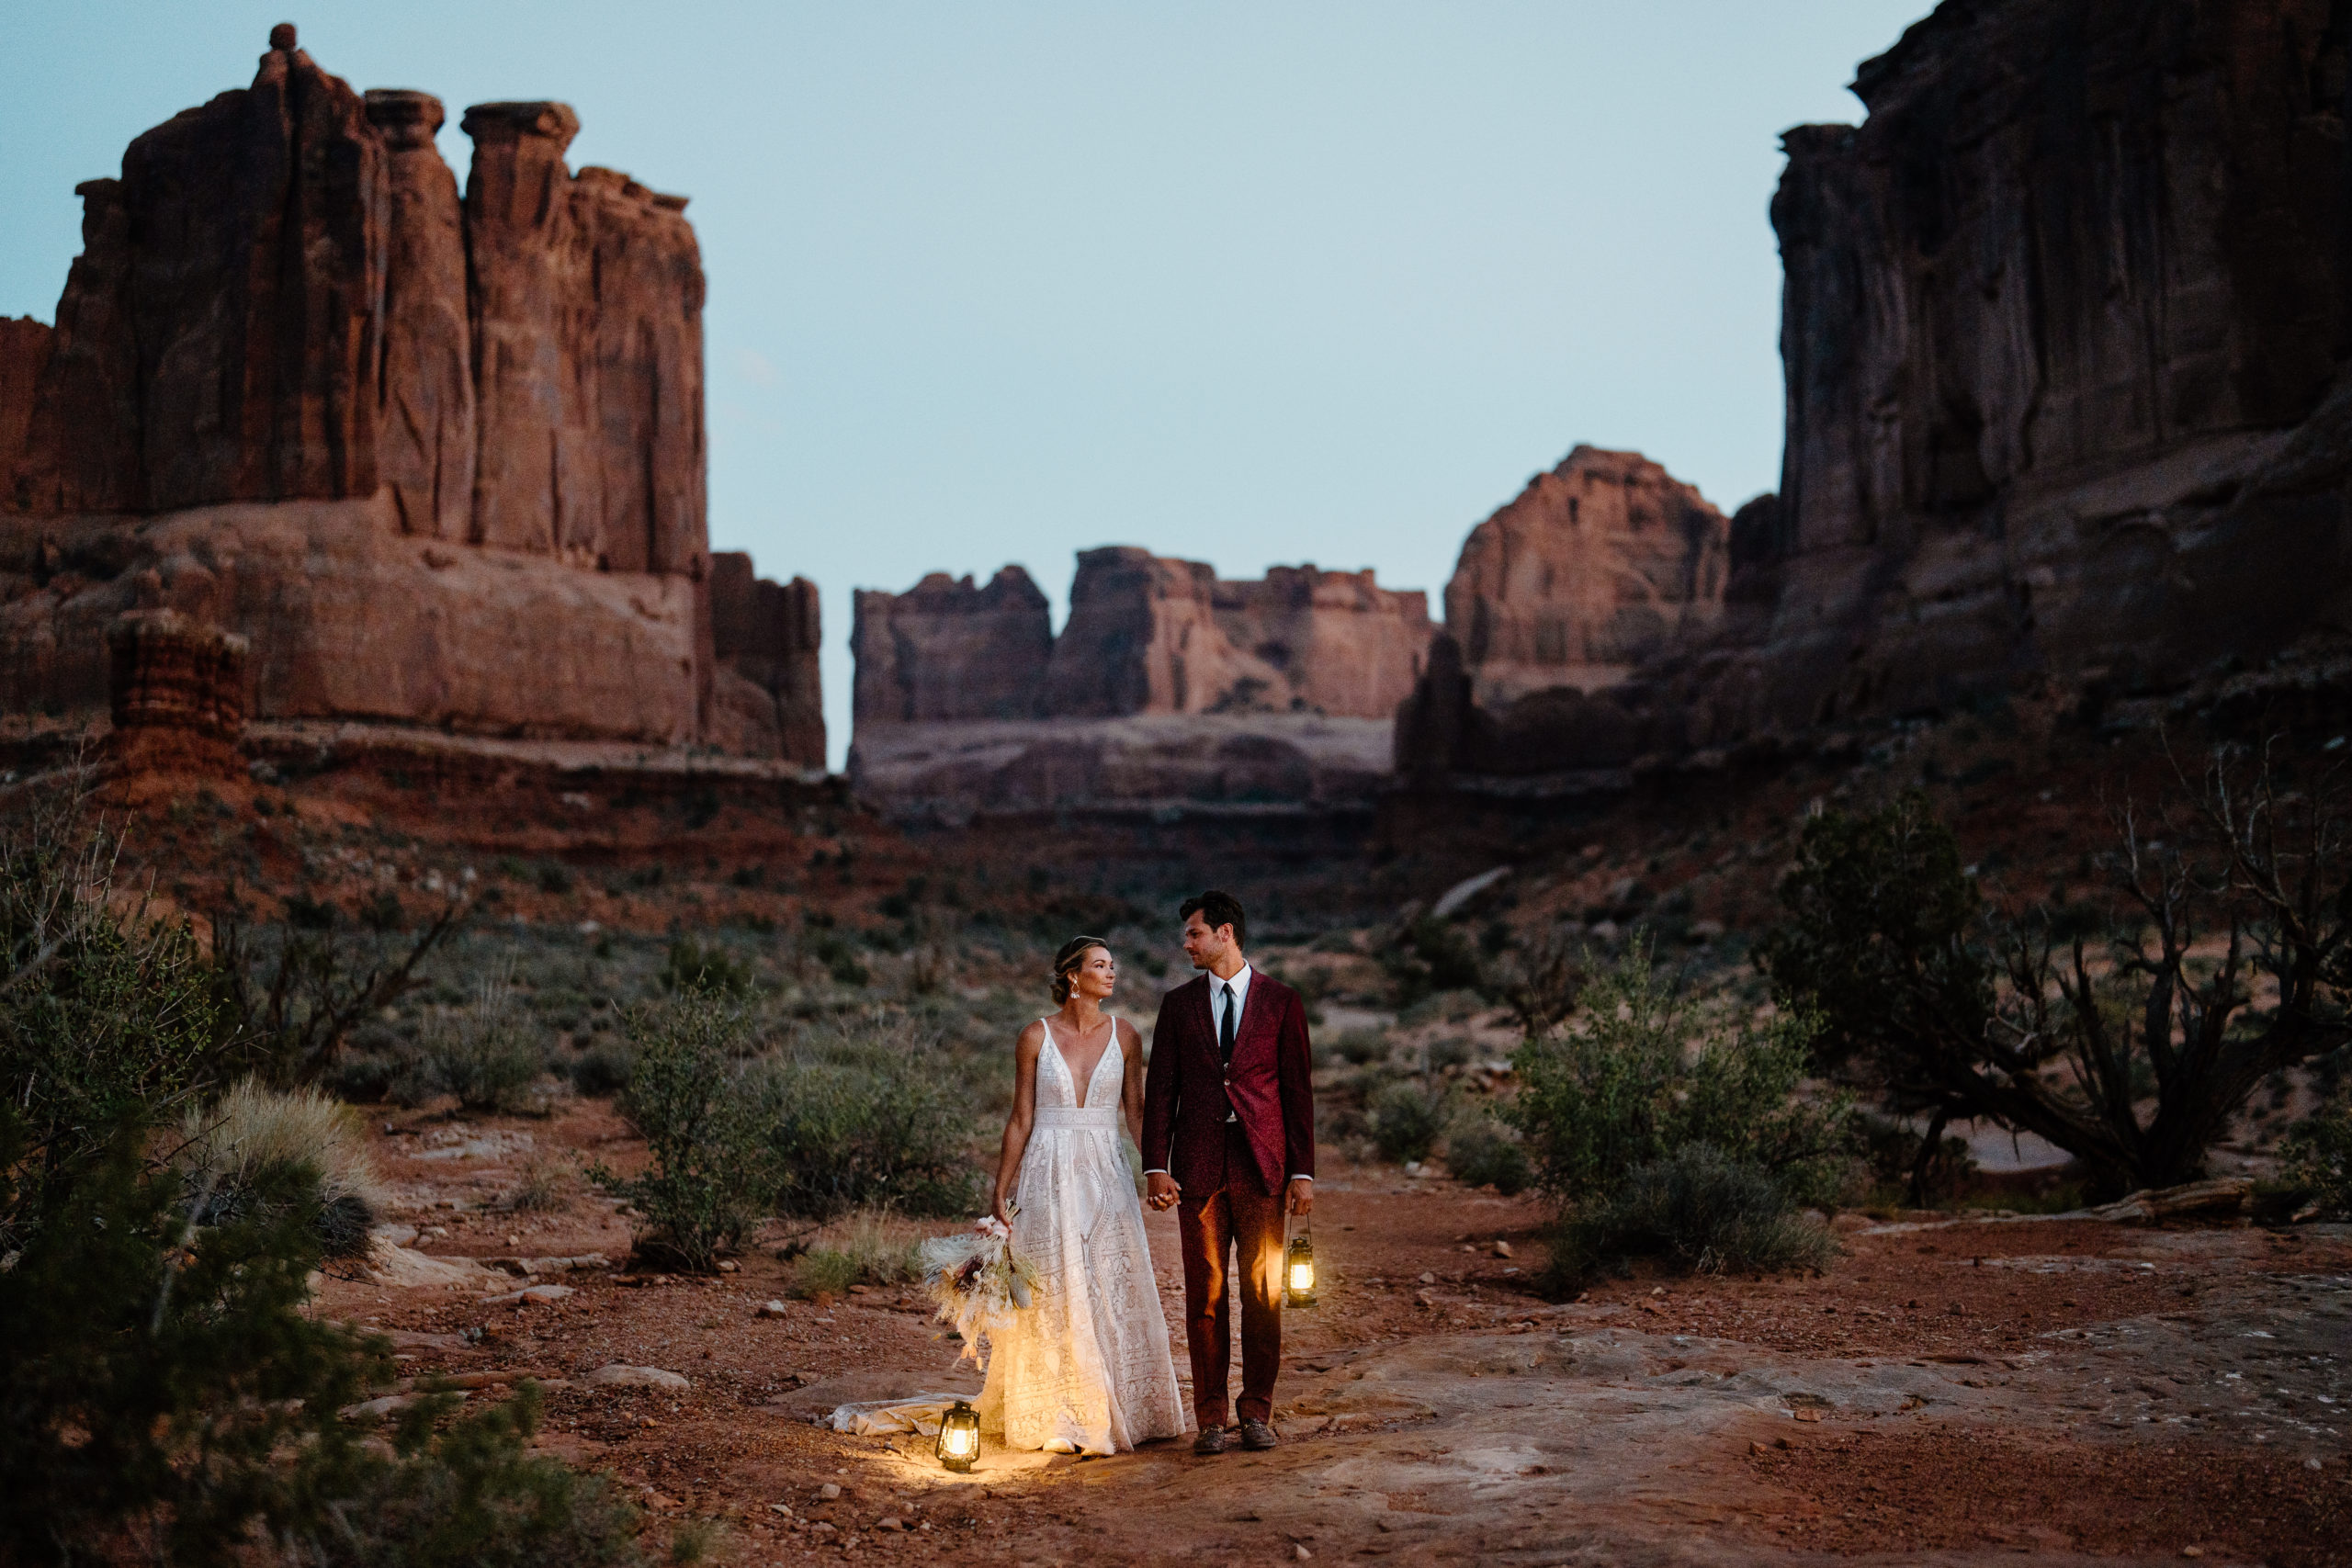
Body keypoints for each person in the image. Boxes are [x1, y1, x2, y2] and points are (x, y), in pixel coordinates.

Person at [978, 936, 1190, 1455]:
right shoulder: (1034, 1036)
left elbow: (1136, 1114)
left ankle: (1125, 1408)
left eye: (1112, 965)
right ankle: (1057, 1411)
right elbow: (1021, 1118)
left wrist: (1156, 1171)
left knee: (1108, 1281)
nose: (1111, 973)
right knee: (1051, 1286)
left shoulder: (1127, 1036)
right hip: (1046, 1171)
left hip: (1104, 1171)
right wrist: (1000, 1188)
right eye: (1100, 965)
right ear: (1073, 976)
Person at [1140, 891, 1315, 1455]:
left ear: (1225, 934)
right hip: (1198, 1169)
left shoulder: (1283, 1002)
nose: (1186, 943)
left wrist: (1303, 1173)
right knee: (1205, 1295)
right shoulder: (1177, 1005)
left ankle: (1257, 1410)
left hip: (1264, 1167)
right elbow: (1160, 1091)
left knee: (1263, 1292)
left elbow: (1297, 1092)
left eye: (1194, 933)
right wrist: (1155, 1167)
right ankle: (1212, 1416)